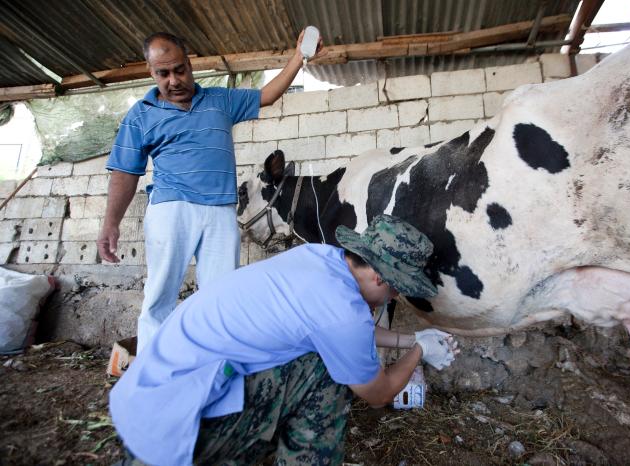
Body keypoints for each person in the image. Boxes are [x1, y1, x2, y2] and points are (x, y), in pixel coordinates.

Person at [110, 215, 459, 465]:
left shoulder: (319, 259)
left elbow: (338, 332)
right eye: (398, 289)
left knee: (327, 357)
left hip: (145, 399)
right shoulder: (342, 311)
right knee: (330, 374)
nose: (395, 297)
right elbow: (379, 394)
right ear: (383, 279)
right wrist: (420, 351)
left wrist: (409, 337)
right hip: (174, 430)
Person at [97, 31, 323, 352]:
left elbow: (267, 95)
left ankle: (212, 366)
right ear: (151, 73)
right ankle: (152, 370)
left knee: (220, 295)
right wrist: (111, 223)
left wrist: (300, 55)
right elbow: (124, 172)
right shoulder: (141, 114)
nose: (174, 80)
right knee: (160, 294)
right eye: (163, 73)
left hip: (220, 211)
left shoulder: (220, 100)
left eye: (179, 70)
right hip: (171, 209)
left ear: (190, 65)